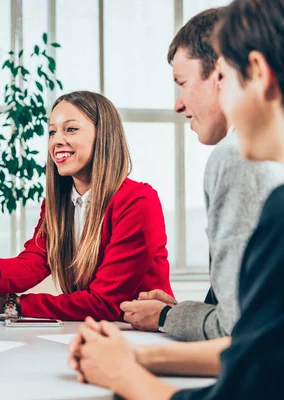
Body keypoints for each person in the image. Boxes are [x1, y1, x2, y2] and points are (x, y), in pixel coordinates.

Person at [69, 1, 284, 398]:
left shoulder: (246, 172)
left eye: (226, 77)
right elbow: (261, 349)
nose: (178, 105)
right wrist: (142, 357)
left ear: (257, 73)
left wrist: (123, 374)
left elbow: (242, 355)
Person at [120, 6, 284, 342]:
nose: (178, 105)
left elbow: (237, 331)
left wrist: (163, 322)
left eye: (183, 83)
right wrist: (173, 313)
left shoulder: (235, 156)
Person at [0, 91, 173, 321]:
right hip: (87, 332)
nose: (56, 140)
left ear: (103, 135)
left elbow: (104, 303)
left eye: (70, 129)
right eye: (52, 131)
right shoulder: (57, 205)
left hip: (140, 336)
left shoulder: (137, 201)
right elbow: (33, 262)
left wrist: (13, 304)